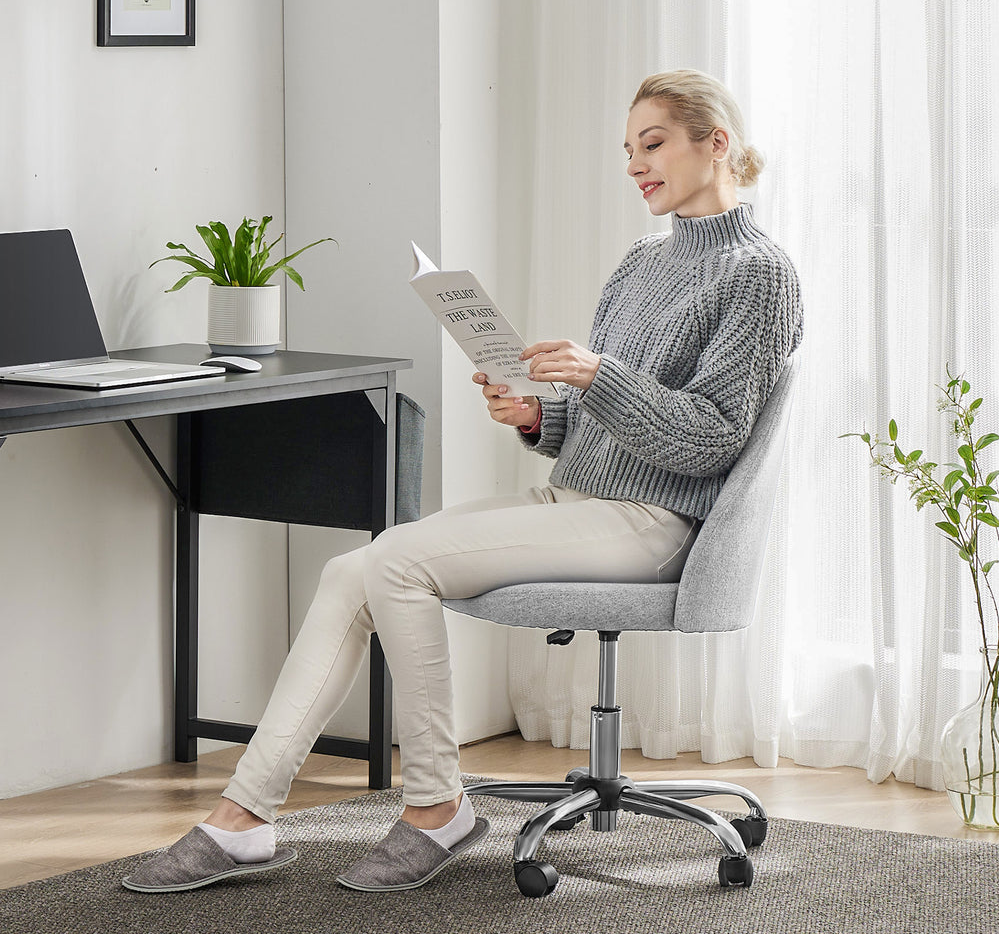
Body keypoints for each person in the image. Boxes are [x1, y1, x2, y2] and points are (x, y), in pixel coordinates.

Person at [122, 69, 804, 894]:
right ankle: (243, 818)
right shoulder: (639, 263)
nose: (635, 165)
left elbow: (710, 439)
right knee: (353, 571)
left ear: (716, 142)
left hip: (656, 521)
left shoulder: (759, 274)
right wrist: (536, 415)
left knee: (396, 562)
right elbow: (601, 426)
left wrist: (599, 375)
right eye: (628, 150)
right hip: (583, 502)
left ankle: (435, 807)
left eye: (652, 144)